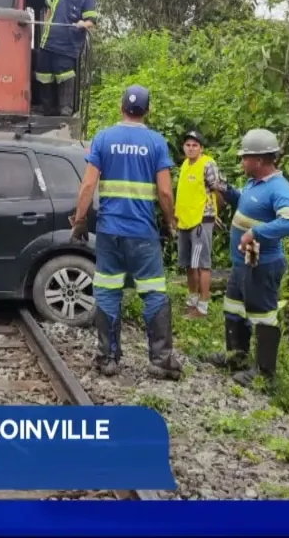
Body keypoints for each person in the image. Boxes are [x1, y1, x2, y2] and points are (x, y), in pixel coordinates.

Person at [70, 85, 182, 380]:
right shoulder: (156, 142)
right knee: (154, 292)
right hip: (143, 233)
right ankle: (160, 361)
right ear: (147, 110)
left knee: (108, 292)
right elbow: (165, 192)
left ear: (121, 107)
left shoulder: (103, 138)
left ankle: (107, 358)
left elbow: (88, 185)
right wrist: (170, 221)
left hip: (109, 232)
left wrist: (79, 220)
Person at [203, 128, 289, 387]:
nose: (242, 161)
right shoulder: (254, 182)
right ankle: (236, 356)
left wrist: (255, 233)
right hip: (242, 264)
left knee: (263, 316)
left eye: (245, 157)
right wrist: (227, 191)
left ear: (259, 160)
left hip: (262, 265)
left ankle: (264, 373)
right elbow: (246, 203)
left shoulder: (279, 188)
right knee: (233, 308)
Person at [34, 0, 99, 117]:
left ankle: (65, 110)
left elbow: (91, 21)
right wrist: (46, 28)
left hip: (68, 46)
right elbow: (49, 9)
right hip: (48, 42)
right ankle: (46, 109)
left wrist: (83, 23)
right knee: (43, 75)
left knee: (65, 77)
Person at [175, 130, 223, 319]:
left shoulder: (207, 164)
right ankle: (192, 300)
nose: (191, 148)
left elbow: (218, 190)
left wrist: (214, 213)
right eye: (188, 145)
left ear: (201, 148)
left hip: (201, 220)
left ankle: (203, 306)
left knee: (202, 264)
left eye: (195, 145)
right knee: (189, 263)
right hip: (185, 220)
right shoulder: (185, 165)